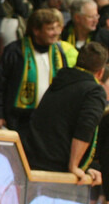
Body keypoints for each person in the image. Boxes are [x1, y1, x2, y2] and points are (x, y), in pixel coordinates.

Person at [22, 42, 107, 184]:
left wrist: (84, 167)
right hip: (57, 169)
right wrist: (74, 165)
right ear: (100, 72)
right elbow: (85, 128)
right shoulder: (94, 91)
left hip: (33, 158)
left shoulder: (60, 79)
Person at [0, 8, 72, 132]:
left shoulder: (59, 53)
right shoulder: (15, 52)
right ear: (36, 30)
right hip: (18, 119)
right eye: (50, 29)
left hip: (49, 119)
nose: (56, 33)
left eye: (57, 28)